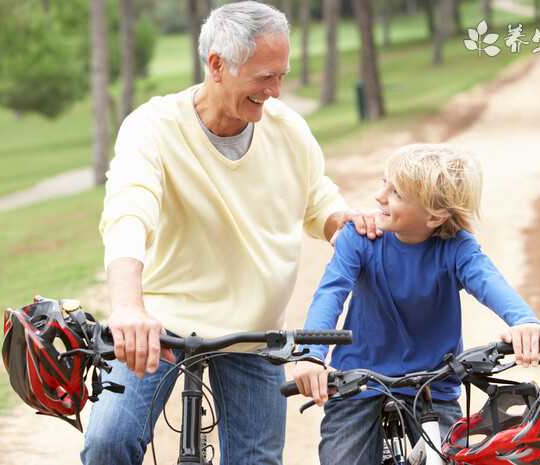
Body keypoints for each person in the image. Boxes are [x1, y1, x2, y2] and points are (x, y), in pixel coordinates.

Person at [81, 3, 379, 465]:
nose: (276, 91)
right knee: (107, 442)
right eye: (265, 76)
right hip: (160, 323)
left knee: (257, 462)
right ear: (217, 65)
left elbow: (319, 200)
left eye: (282, 75)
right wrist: (127, 307)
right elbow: (127, 215)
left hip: (253, 329)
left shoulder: (287, 130)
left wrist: (346, 223)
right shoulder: (153, 127)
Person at [291, 144, 540, 465]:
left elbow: (490, 283)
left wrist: (523, 321)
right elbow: (330, 294)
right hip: (359, 384)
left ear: (434, 214)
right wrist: (311, 355)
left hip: (433, 385)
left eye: (395, 191)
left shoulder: (456, 249)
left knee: (449, 458)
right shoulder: (358, 238)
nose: (379, 196)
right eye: (382, 182)